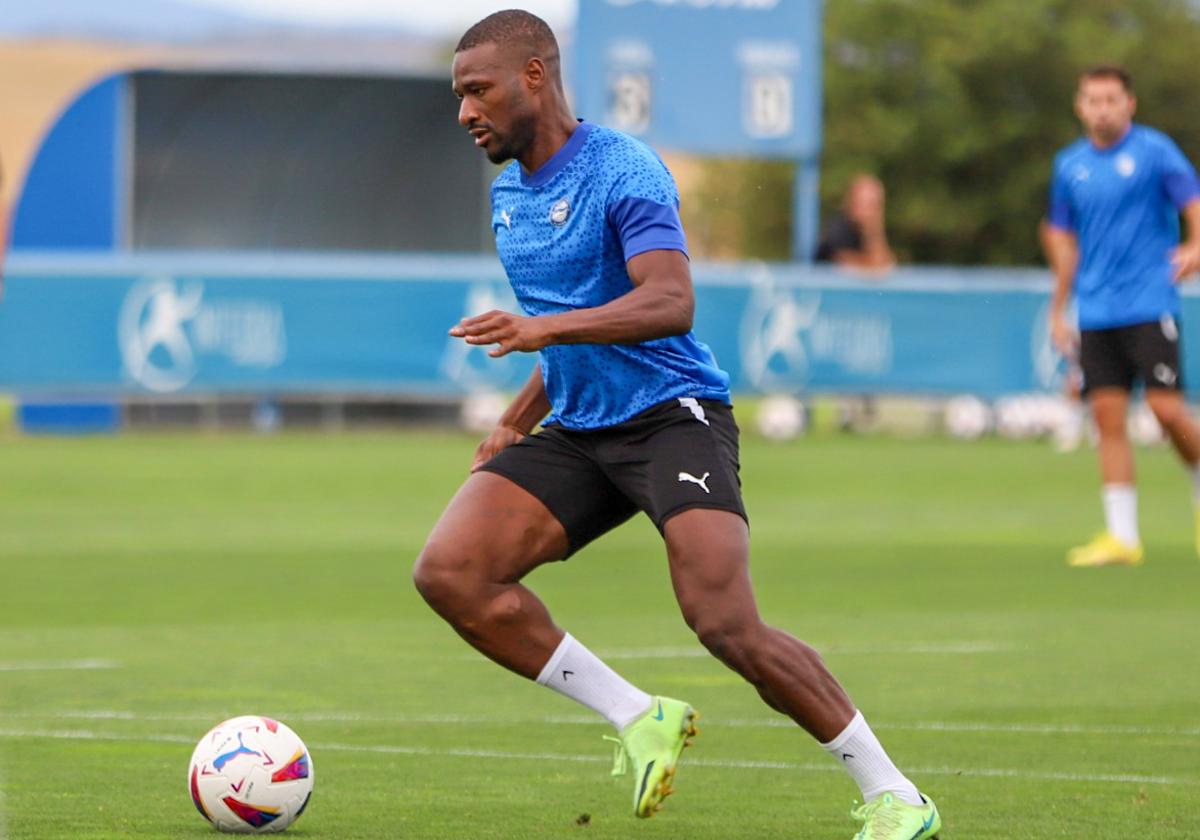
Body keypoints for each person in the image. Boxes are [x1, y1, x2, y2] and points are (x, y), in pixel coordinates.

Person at [413, 11, 941, 839]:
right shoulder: (511, 195)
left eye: (478, 90)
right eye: (458, 95)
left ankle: (896, 795)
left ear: (536, 76)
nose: (465, 111)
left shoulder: (624, 168)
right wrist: (517, 423)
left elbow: (668, 300)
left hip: (673, 418)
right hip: (584, 429)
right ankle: (636, 714)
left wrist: (542, 330)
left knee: (723, 623)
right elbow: (565, 332)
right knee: (451, 572)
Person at [1045, 65, 1200, 566]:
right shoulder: (1070, 166)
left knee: (1165, 410)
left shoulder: (1155, 152)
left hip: (1150, 300)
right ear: (1079, 106)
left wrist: (1196, 244)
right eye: (1093, 100)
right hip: (1096, 308)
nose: (1102, 108)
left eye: (1111, 99)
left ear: (1129, 103)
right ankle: (1122, 537)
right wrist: (1059, 304)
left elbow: (1192, 200)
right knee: (1108, 418)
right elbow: (1063, 237)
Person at [815, 173, 896, 272]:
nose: (867, 210)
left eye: (872, 204)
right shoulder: (837, 228)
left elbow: (885, 263)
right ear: (849, 200)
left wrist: (873, 229)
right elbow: (874, 266)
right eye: (862, 202)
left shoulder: (869, 231)